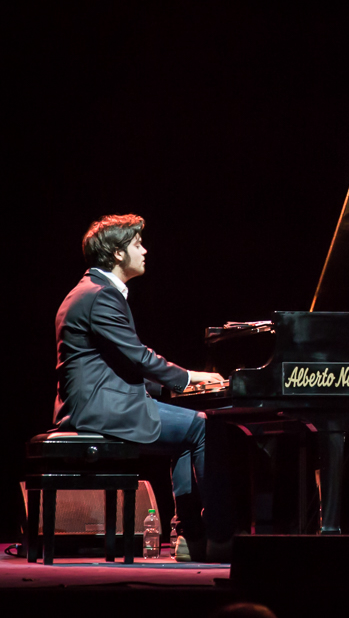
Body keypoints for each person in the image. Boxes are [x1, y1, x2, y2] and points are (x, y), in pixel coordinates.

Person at [53, 214, 226, 561]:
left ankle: (189, 537)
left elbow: (113, 364)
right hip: (100, 410)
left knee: (189, 429)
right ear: (117, 253)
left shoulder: (90, 291)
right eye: (137, 244)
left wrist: (176, 391)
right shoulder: (100, 295)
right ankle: (221, 537)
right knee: (203, 426)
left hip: (97, 403)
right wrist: (190, 377)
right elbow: (139, 357)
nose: (144, 250)